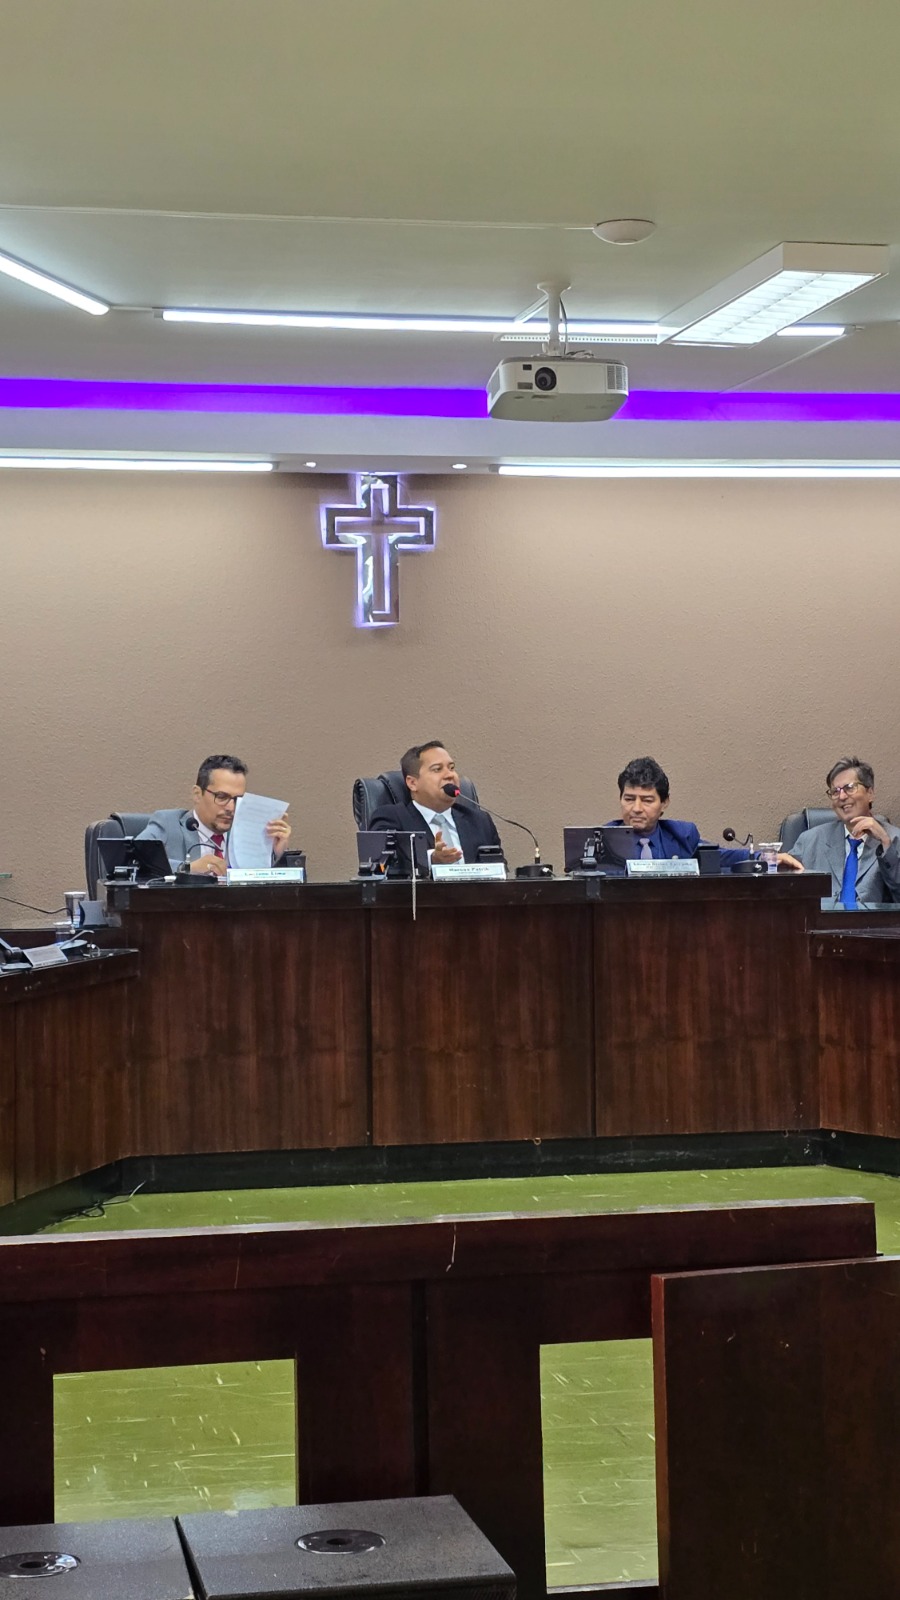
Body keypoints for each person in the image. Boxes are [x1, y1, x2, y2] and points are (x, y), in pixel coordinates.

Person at [137, 754, 292, 876]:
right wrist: (187, 868)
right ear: (197, 794)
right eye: (222, 797)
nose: (231, 808)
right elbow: (134, 860)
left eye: (238, 800)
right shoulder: (168, 823)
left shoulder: (250, 833)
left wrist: (275, 855)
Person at [783, 758, 900, 907]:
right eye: (835, 791)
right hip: (820, 921)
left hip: (872, 922)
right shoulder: (810, 840)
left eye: (850, 788)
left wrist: (886, 844)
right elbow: (784, 891)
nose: (842, 797)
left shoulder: (894, 839)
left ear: (870, 793)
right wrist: (772, 864)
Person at [605, 756, 752, 869]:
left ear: (664, 803)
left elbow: (722, 857)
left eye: (647, 800)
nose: (637, 808)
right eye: (629, 799)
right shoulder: (603, 841)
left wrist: (761, 857)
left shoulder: (681, 836)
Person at [369, 741, 501, 866]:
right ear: (412, 783)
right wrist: (431, 859)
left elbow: (500, 870)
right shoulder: (391, 819)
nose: (449, 775)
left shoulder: (480, 822)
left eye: (451, 768)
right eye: (437, 769)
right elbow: (384, 864)